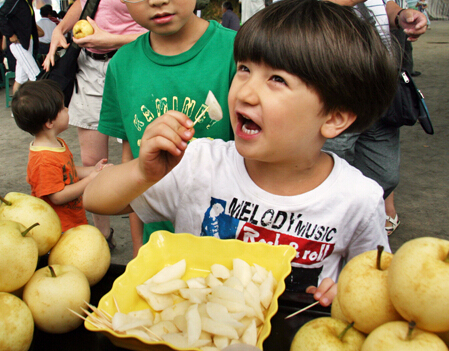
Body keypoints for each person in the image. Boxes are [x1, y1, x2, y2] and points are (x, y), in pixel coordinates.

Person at [85, 0, 397, 304]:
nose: (245, 92)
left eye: (277, 79)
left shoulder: (358, 200)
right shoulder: (200, 165)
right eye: (245, 69)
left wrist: (344, 293)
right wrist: (142, 172)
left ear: (334, 117)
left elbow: (378, 287)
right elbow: (95, 199)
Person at [98, 0, 237, 257]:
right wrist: (140, 250)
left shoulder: (237, 52)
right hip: (160, 249)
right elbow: (130, 163)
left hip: (229, 244)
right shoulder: (122, 65)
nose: (157, 1)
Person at [42, 0, 147, 248]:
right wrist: (59, 29)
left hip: (129, 64)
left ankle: (140, 245)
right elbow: (82, 4)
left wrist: (111, 39)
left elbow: (159, 34)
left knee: (135, 162)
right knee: (91, 162)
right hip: (88, 66)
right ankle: (102, 236)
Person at [323, 0, 428, 236]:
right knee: (331, 174)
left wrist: (400, 15)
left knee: (385, 175)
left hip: (380, 92)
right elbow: (292, 15)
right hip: (335, 92)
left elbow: (381, 5)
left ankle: (360, 225)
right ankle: (331, 237)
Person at [11, 80, 111, 233]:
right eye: (62, 108)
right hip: (59, 229)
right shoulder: (44, 159)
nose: (66, 109)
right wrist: (91, 179)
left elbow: (67, 171)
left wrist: (93, 170)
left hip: (72, 221)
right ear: (50, 122)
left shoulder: (55, 144)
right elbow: (57, 196)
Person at [0, 0, 41, 95]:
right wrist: (10, 34)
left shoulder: (26, 2)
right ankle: (38, 106)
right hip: (19, 43)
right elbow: (1, 16)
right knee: (35, 75)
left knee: (20, 79)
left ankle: (15, 109)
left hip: (27, 42)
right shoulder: (14, 1)